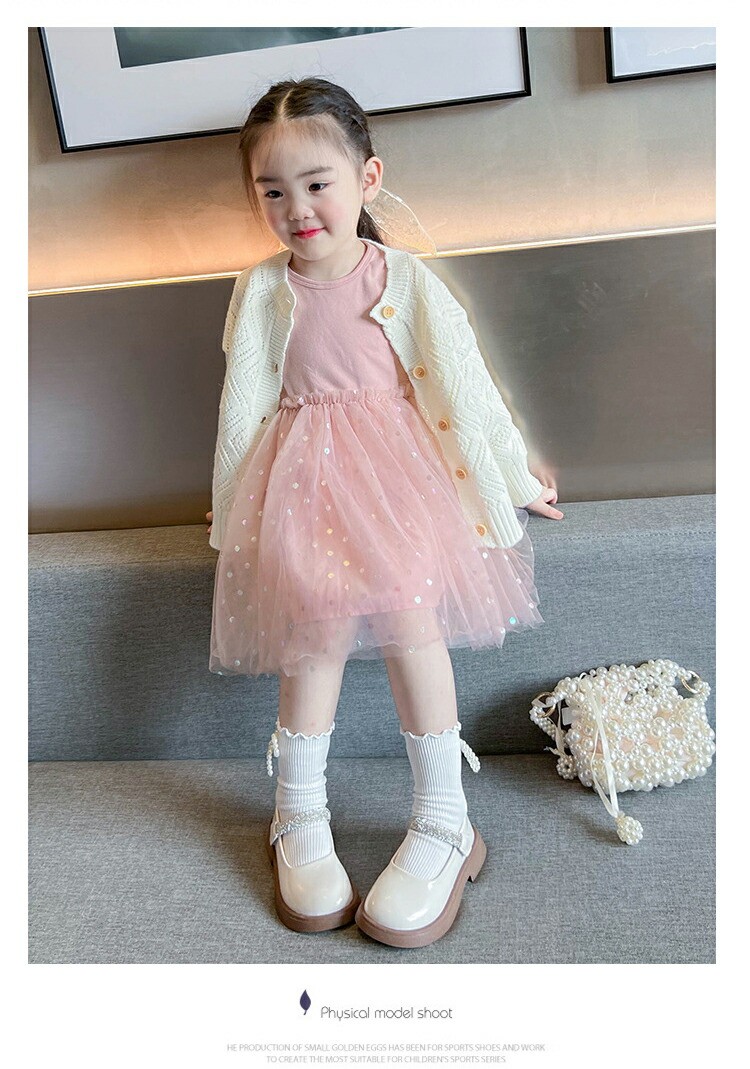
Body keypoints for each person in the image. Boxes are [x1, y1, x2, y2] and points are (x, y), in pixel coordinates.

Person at [206, 76, 564, 949]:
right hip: (300, 485)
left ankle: (445, 817)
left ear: (367, 177)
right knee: (314, 633)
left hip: (399, 484)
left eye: (316, 183)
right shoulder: (260, 290)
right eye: (273, 191)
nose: (297, 209)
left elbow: (465, 385)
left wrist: (514, 473)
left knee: (412, 622)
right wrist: (232, 514)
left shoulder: (402, 278)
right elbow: (240, 403)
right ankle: (297, 811)